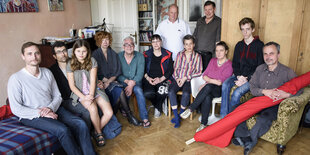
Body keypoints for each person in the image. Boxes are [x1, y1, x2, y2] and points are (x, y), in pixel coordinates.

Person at [7, 42, 95, 155]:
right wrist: (42, 112)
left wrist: (49, 108)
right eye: (29, 54)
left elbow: (57, 96)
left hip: (53, 108)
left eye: (36, 53)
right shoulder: (16, 78)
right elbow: (16, 108)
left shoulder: (47, 72)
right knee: (63, 130)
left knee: (81, 124)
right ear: (23, 56)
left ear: (40, 55)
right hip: (31, 116)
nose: (34, 57)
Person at [232, 42, 297, 154]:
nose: (268, 57)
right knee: (236, 108)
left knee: (264, 118)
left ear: (278, 54)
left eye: (271, 53)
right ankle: (245, 136)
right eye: (265, 54)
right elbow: (252, 87)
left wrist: (285, 95)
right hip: (258, 100)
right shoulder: (260, 69)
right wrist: (264, 91)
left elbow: (300, 89)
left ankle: (250, 141)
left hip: (274, 104)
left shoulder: (287, 72)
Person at [66, 40, 113, 147]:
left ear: (88, 52)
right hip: (80, 93)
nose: (81, 54)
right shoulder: (70, 64)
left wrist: (91, 96)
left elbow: (93, 81)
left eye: (84, 51)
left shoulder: (92, 61)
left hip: (95, 90)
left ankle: (95, 131)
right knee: (93, 109)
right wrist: (84, 97)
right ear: (74, 51)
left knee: (109, 113)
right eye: (78, 51)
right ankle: (100, 134)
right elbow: (72, 86)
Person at [180, 41, 233, 132]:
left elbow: (220, 82)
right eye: (217, 51)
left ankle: (191, 108)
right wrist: (210, 81)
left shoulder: (229, 64)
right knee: (207, 96)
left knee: (208, 88)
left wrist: (208, 82)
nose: (218, 53)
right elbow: (204, 75)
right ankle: (203, 124)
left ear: (226, 51)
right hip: (209, 88)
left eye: (221, 50)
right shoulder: (212, 61)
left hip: (220, 90)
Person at [92, 31, 141, 126]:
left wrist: (109, 82)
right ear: (99, 41)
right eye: (102, 40)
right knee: (119, 92)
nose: (105, 42)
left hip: (112, 81)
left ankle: (126, 115)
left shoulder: (113, 54)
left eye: (107, 39)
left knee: (119, 91)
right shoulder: (95, 55)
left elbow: (117, 72)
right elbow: (95, 73)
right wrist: (104, 82)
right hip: (100, 83)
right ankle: (127, 115)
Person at [220, 17, 264, 117]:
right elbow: (235, 64)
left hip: (253, 78)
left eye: (247, 29)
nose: (245, 32)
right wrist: (239, 76)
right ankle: (223, 118)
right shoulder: (239, 45)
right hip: (239, 75)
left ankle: (232, 119)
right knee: (225, 85)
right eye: (243, 29)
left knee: (237, 93)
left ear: (253, 29)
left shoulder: (259, 45)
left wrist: (246, 78)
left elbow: (260, 67)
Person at [49, 41, 92, 130]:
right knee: (87, 111)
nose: (63, 54)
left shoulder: (76, 63)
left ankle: (99, 130)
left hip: (82, 93)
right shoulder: (52, 71)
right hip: (67, 100)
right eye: (59, 52)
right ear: (54, 56)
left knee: (96, 104)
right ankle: (89, 135)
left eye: (64, 51)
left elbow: (87, 78)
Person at [168, 35, 202, 128]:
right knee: (171, 91)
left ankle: (180, 114)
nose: (189, 46)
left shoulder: (197, 56)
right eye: (186, 44)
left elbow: (199, 71)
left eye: (190, 44)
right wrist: (178, 78)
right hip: (178, 78)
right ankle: (176, 116)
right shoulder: (179, 54)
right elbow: (175, 68)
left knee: (186, 93)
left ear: (194, 44)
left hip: (188, 80)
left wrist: (186, 77)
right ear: (183, 45)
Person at [118, 36, 151, 128]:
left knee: (139, 91)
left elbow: (140, 74)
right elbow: (117, 74)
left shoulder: (140, 56)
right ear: (123, 47)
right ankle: (125, 110)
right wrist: (127, 82)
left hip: (136, 82)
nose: (129, 47)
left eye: (131, 44)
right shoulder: (118, 56)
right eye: (126, 45)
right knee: (123, 91)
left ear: (134, 46)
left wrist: (132, 84)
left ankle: (144, 118)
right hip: (123, 81)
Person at [143, 34, 173, 118]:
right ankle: (159, 105)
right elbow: (143, 69)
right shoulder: (146, 54)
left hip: (163, 78)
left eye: (158, 41)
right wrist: (148, 78)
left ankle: (157, 108)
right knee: (148, 93)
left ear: (161, 42)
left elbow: (170, 70)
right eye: (153, 42)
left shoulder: (168, 54)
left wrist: (160, 79)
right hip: (150, 79)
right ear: (151, 43)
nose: (156, 44)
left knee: (163, 91)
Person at [193, 1, 221, 71]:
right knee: (195, 73)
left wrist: (216, 57)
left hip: (208, 55)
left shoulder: (219, 21)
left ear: (214, 9)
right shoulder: (200, 21)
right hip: (197, 53)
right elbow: (194, 36)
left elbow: (218, 41)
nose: (207, 12)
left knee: (206, 75)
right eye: (206, 10)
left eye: (210, 9)